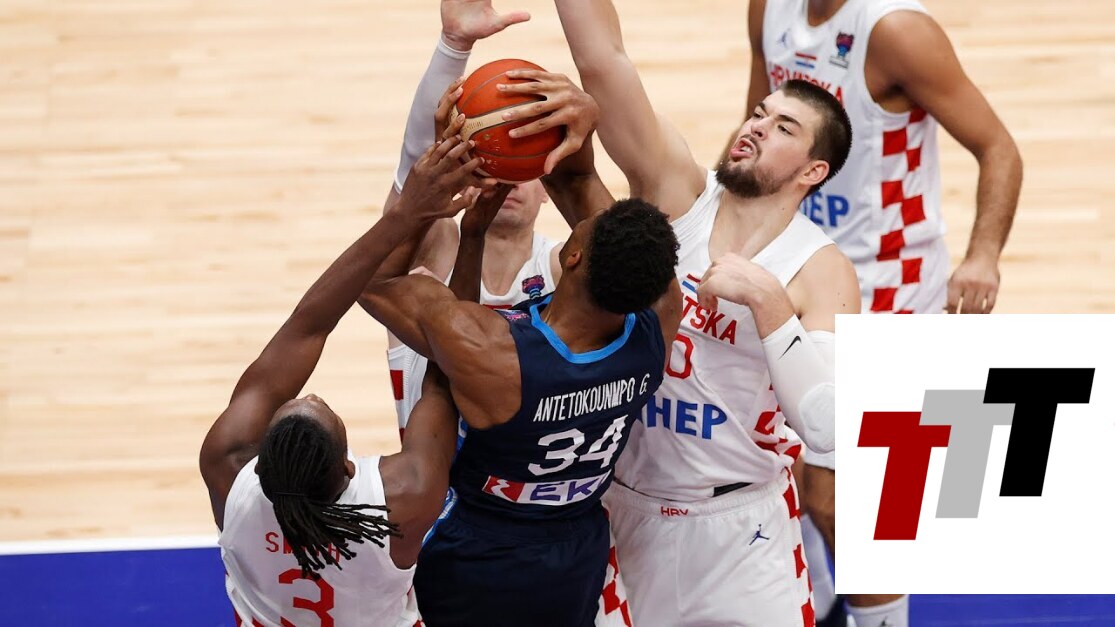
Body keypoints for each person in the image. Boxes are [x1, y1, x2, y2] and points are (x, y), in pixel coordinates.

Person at [552, 0, 860, 624]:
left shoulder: (821, 270)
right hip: (624, 511)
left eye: (784, 128)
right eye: (759, 113)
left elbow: (825, 426)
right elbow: (604, 61)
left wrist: (769, 301)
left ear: (813, 170)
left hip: (741, 533)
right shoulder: (677, 192)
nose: (757, 127)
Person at [740, 1, 1023, 624]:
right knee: (771, 460)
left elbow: (999, 147)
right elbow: (752, 132)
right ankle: (815, 604)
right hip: (801, 271)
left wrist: (983, 255)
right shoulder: (769, 8)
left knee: (840, 499)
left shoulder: (896, 30)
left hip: (890, 290)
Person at [360, 154, 683, 624]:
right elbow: (594, 199)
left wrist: (417, 205)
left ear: (572, 256)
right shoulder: (658, 326)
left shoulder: (496, 353)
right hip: (576, 549)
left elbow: (375, 282)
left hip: (479, 550)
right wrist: (473, 238)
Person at [198, 137, 487, 627]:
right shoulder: (399, 497)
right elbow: (444, 373)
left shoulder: (230, 472)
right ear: (350, 468)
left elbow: (307, 327)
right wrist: (468, 233)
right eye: (321, 405)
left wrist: (407, 215)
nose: (311, 393)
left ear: (260, 466)